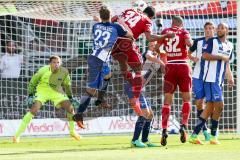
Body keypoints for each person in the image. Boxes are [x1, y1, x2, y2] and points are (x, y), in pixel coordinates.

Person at [72, 5, 133, 128]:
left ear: (100, 16)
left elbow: (104, 26)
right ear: (110, 16)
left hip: (97, 58)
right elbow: (130, 35)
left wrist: (99, 20)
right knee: (91, 90)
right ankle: (78, 114)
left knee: (108, 75)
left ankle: (100, 100)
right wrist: (122, 23)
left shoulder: (96, 26)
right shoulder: (116, 27)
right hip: (98, 60)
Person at [111, 3, 174, 116]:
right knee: (138, 69)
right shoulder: (147, 21)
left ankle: (135, 96)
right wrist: (165, 36)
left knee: (123, 63)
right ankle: (135, 97)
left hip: (113, 42)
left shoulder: (129, 10)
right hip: (126, 41)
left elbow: (113, 19)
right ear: (152, 17)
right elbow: (150, 38)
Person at [13, 55, 80, 143]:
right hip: (42, 90)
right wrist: (30, 95)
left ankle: (72, 132)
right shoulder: (43, 70)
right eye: (54, 62)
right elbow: (33, 81)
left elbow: (67, 85)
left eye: (58, 62)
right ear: (50, 63)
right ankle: (16, 136)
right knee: (34, 110)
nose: (56, 64)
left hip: (56, 91)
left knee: (70, 108)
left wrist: (70, 97)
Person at [189, 23, 234, 145]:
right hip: (210, 79)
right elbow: (205, 56)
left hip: (219, 81)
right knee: (220, 105)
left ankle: (194, 135)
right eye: (218, 28)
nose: (219, 29)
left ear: (227, 30)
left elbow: (227, 63)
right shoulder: (212, 41)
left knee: (209, 108)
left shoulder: (230, 45)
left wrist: (230, 77)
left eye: (222, 28)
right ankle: (214, 136)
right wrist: (220, 57)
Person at [154, 15, 193, 146]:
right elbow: (189, 43)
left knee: (167, 102)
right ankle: (183, 126)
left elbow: (156, 48)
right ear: (181, 24)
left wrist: (164, 52)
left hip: (169, 66)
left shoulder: (165, 32)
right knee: (186, 99)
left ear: (172, 22)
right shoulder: (183, 31)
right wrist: (189, 43)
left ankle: (164, 130)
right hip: (182, 65)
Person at [125, 42, 165, 147]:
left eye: (155, 46)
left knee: (150, 114)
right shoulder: (147, 54)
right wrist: (162, 62)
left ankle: (145, 139)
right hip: (133, 85)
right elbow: (148, 56)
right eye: (151, 45)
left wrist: (164, 59)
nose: (153, 47)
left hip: (141, 88)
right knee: (144, 113)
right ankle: (134, 141)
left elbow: (164, 70)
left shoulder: (158, 57)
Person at [188, 21, 216, 141]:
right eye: (207, 28)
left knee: (211, 104)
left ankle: (212, 130)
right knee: (199, 103)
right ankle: (204, 130)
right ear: (204, 30)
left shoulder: (217, 42)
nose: (209, 30)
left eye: (211, 28)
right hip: (198, 76)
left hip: (211, 76)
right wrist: (192, 58)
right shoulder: (198, 41)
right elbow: (188, 53)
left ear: (214, 30)